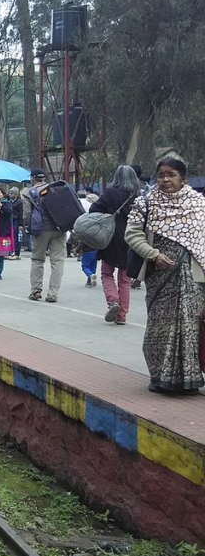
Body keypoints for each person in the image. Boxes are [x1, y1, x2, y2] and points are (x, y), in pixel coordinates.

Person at [125, 158, 205, 395]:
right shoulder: (145, 203)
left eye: (171, 175)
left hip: (194, 277)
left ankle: (189, 379)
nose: (165, 180)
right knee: (159, 326)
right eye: (161, 175)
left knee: (191, 326)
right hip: (159, 275)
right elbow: (132, 235)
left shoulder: (199, 205)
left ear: (184, 179)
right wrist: (153, 254)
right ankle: (160, 377)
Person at [91, 165, 139, 325]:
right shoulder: (137, 195)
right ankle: (122, 316)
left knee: (106, 273)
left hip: (111, 239)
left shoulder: (110, 193)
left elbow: (94, 209)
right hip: (131, 240)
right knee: (125, 280)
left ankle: (113, 302)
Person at [23, 167, 66, 302]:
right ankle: (53, 294)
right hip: (59, 229)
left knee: (37, 259)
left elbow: (27, 214)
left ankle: (36, 290)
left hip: (40, 230)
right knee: (57, 261)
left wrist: (28, 227)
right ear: (44, 178)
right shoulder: (56, 188)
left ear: (32, 178)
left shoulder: (29, 192)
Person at [7, 187, 24, 259]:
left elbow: (21, 213)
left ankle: (16, 253)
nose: (10, 195)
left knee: (16, 237)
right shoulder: (9, 202)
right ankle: (10, 251)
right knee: (10, 237)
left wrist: (21, 224)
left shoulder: (20, 202)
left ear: (16, 194)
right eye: (9, 193)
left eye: (12, 193)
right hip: (10, 221)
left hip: (16, 221)